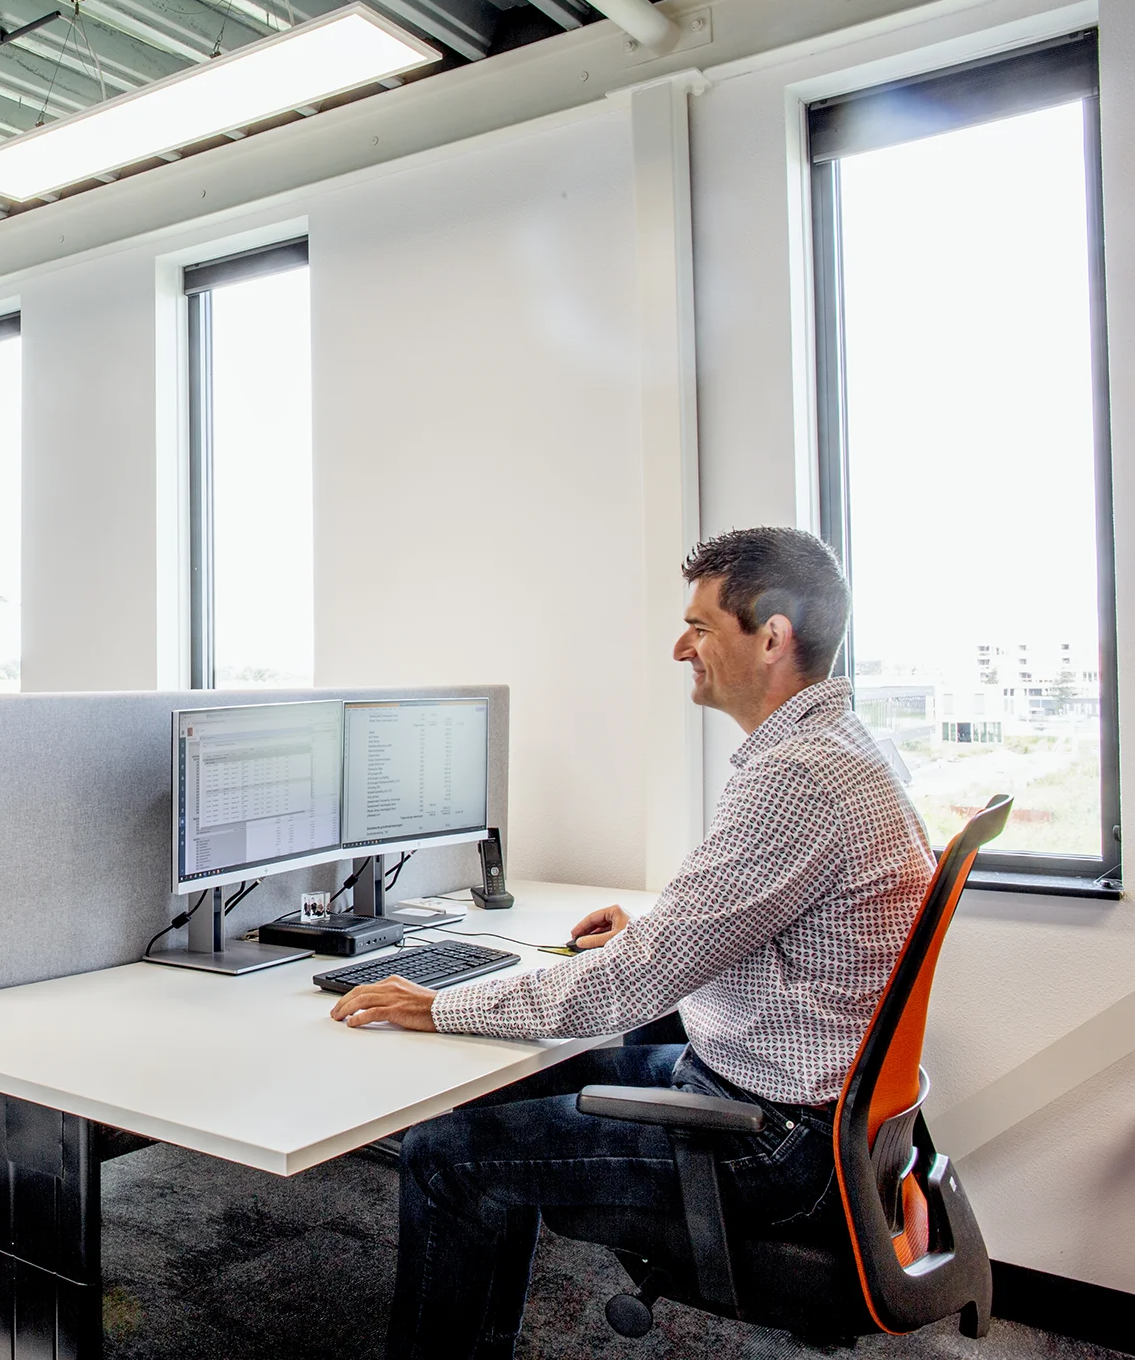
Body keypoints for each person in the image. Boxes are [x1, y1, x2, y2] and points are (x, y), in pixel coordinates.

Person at [332, 526, 935, 1360]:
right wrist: (654, 934)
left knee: (443, 1156)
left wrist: (440, 1004)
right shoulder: (845, 745)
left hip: (769, 1141)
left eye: (700, 625)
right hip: (799, 1107)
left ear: (772, 635)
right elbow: (759, 930)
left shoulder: (796, 776)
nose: (679, 645)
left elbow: (629, 986)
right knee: (496, 1095)